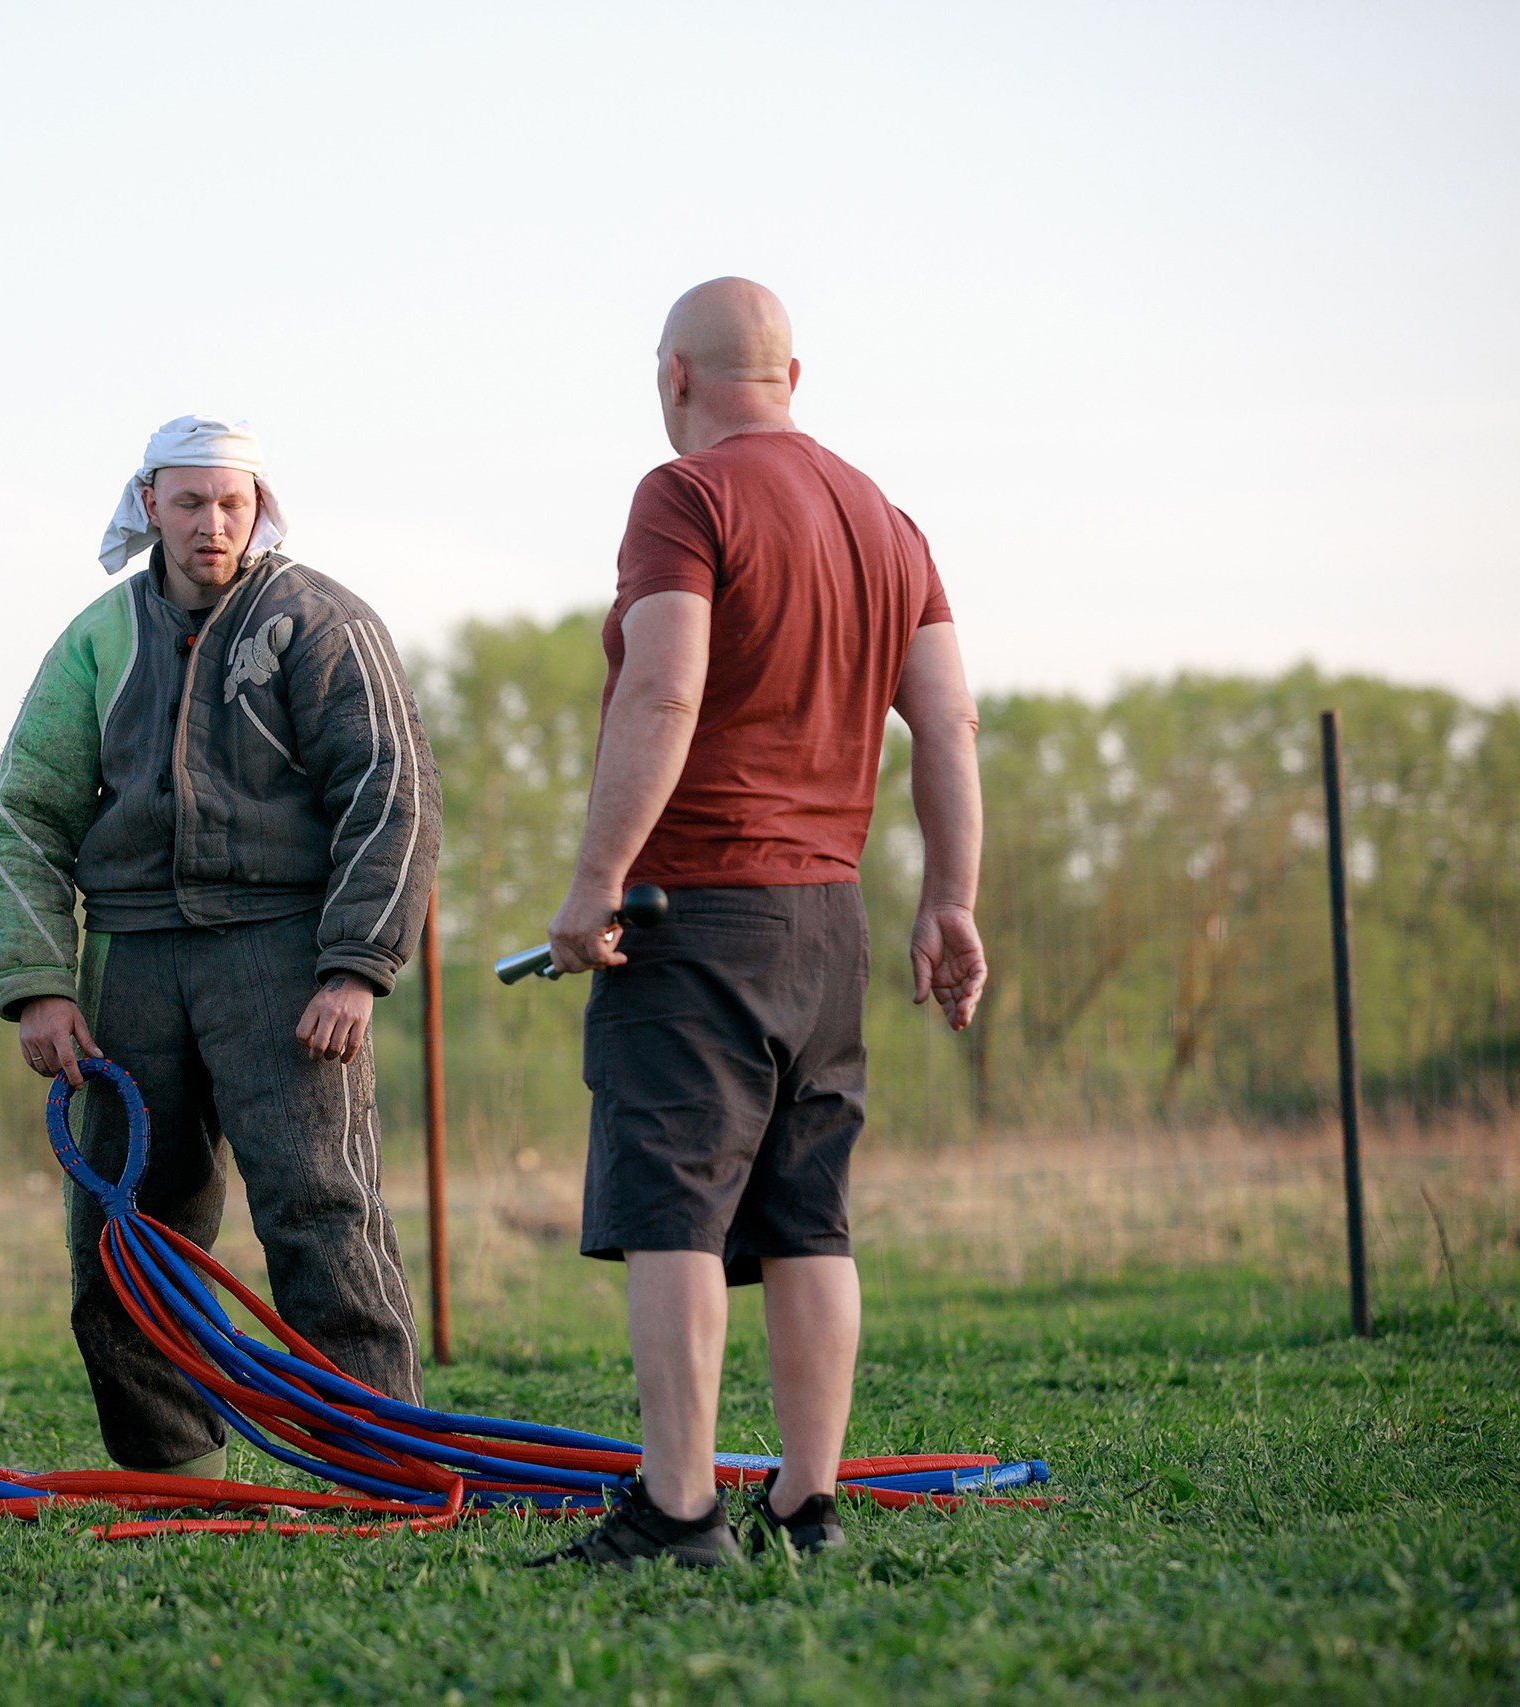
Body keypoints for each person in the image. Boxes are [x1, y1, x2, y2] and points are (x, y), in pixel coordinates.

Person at [534, 279, 988, 1568]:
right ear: (794, 375)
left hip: (693, 911)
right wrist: (949, 900)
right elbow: (947, 723)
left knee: (671, 1209)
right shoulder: (887, 519)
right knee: (807, 1217)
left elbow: (665, 691)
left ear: (674, 375)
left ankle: (679, 1512)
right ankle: (806, 1505)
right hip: (829, 919)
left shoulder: (684, 496)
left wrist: (595, 878)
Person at [0, 415, 440, 1481]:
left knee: (320, 1209)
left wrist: (355, 965)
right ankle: (171, 1469)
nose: (211, 524)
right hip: (131, 959)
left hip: (284, 955)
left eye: (231, 503)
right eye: (188, 502)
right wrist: (38, 984)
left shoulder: (322, 622)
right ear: (149, 504)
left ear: (259, 506)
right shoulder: (96, 640)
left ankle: (383, 1466)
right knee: (125, 1228)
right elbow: (22, 816)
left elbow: (392, 790)